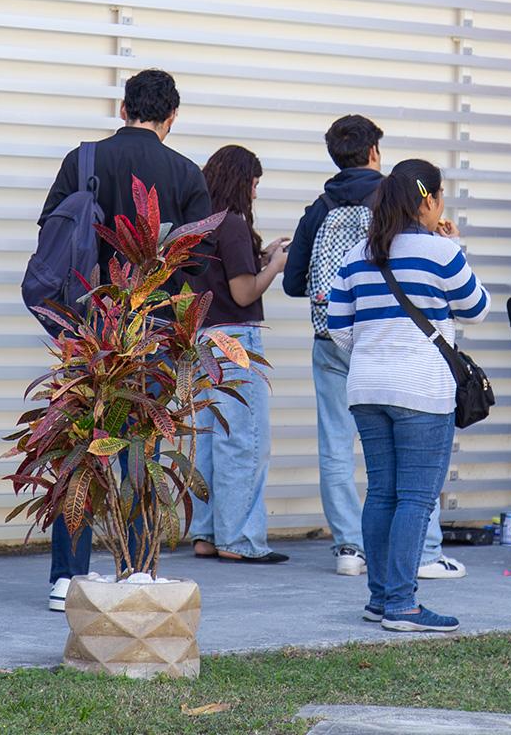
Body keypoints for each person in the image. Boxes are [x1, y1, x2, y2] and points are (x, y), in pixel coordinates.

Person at [37, 69, 211, 610]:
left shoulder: (82, 160)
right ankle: (136, 567)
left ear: (124, 109)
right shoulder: (185, 172)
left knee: (81, 445)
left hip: (88, 329)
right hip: (152, 329)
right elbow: (198, 261)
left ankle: (68, 576)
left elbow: (51, 229)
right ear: (172, 117)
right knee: (144, 446)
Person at [282, 116, 458, 581]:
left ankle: (349, 547)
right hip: (393, 342)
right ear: (375, 152)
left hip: (332, 337)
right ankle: (425, 551)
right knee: (414, 448)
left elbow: (292, 283)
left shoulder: (319, 208)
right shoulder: (397, 200)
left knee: (337, 445)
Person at [326, 160, 487, 632]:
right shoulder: (440, 252)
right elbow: (477, 309)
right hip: (421, 388)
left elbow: (338, 327)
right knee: (416, 498)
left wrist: (377, 352)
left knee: (382, 494)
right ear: (429, 201)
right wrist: (453, 247)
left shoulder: (359, 253)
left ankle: (380, 599)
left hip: (367, 389)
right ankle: (401, 605)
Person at [188, 145, 290, 564]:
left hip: (202, 340)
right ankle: (241, 540)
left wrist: (261, 257)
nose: (255, 192)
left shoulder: (202, 226)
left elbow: (221, 276)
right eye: (254, 183)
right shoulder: (232, 225)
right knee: (245, 441)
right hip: (236, 341)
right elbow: (244, 291)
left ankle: (207, 534)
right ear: (241, 182)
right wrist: (275, 268)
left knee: (210, 441)